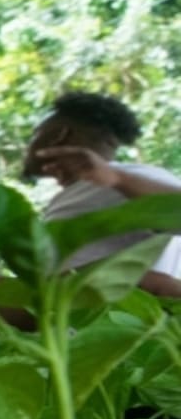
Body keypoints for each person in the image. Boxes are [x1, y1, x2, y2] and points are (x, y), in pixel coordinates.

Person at [22, 91, 181, 297]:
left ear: (58, 135)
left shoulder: (133, 178)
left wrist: (118, 179)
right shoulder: (90, 189)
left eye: (35, 135)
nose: (29, 147)